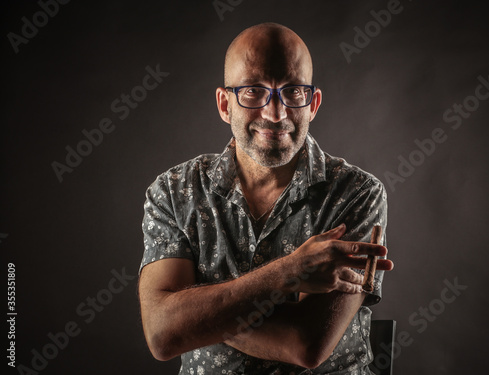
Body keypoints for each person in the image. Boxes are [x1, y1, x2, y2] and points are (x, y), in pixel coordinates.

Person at [138, 22, 394, 374]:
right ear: (225, 105)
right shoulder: (175, 190)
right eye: (254, 91)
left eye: (292, 92)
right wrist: (291, 271)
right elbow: (162, 334)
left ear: (312, 104)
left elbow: (305, 345)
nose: (276, 114)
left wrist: (197, 316)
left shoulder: (357, 194)